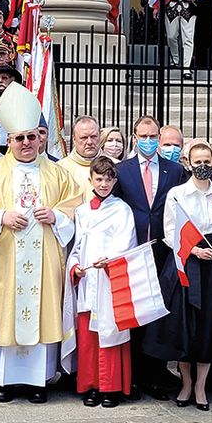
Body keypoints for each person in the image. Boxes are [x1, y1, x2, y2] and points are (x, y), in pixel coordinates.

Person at [0, 82, 82, 403]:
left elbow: (75, 204)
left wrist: (57, 215)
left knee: (40, 311)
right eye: (20, 138)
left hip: (44, 258)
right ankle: (3, 382)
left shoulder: (58, 173)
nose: (27, 143)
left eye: (32, 136)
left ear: (39, 137)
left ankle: (36, 382)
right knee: (6, 313)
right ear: (8, 139)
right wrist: (0, 217)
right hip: (5, 257)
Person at [143, 142, 212, 411]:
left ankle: (200, 386)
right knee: (185, 328)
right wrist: (194, 251)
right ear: (189, 163)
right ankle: (185, 382)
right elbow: (170, 233)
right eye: (198, 161)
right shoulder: (177, 194)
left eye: (208, 161)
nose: (204, 166)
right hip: (184, 263)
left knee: (207, 327)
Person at [113, 115, 188, 398]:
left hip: (162, 253)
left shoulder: (174, 170)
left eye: (153, 136)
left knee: (157, 315)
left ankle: (155, 375)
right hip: (132, 253)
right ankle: (131, 377)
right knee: (134, 316)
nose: (148, 141)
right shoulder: (122, 170)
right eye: (143, 136)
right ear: (134, 137)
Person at [68, 156, 138, 407]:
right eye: (99, 179)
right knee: (89, 340)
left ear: (114, 180)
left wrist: (109, 260)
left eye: (108, 179)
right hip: (89, 282)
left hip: (110, 282)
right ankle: (92, 386)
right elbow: (77, 246)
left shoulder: (122, 210)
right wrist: (75, 267)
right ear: (91, 180)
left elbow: (127, 244)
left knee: (110, 335)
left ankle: (112, 388)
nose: (104, 183)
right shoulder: (82, 211)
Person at [58, 115, 101, 201]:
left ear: (100, 136)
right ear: (74, 139)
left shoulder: (116, 165)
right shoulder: (60, 168)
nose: (89, 142)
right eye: (84, 138)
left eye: (93, 136)